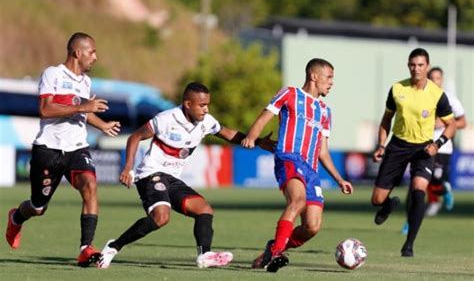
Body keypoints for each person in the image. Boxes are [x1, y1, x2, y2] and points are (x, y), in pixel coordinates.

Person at [98, 82, 274, 269]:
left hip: (172, 178)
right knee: (161, 217)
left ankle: (204, 255)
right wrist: (128, 167)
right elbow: (135, 137)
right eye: (202, 105)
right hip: (150, 173)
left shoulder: (206, 121)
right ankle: (113, 246)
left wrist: (258, 141)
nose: (206, 109)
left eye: (207, 104)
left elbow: (228, 134)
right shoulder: (166, 119)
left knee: (204, 209)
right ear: (188, 104)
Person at [5, 32, 121, 267]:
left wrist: (102, 124)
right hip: (48, 149)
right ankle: (16, 217)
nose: (95, 57)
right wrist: (83, 106)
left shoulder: (85, 83)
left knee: (90, 186)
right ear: (78, 53)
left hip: (77, 148)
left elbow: (84, 111)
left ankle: (85, 248)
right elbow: (46, 110)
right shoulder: (52, 74)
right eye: (92, 52)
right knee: (38, 208)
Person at [241, 58, 353, 273]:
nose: (332, 83)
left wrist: (339, 179)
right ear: (314, 76)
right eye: (329, 77)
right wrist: (251, 137)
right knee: (297, 201)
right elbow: (265, 117)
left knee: (312, 227)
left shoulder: (325, 111)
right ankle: (276, 255)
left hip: (311, 170)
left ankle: (274, 248)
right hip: (289, 158)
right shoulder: (290, 94)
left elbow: (323, 151)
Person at [372, 48, 456, 257]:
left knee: (419, 192)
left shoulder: (437, 94)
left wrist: (437, 144)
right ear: (408, 65)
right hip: (398, 146)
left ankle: (409, 245)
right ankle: (388, 204)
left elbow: (451, 124)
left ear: (427, 66)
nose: (416, 68)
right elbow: (386, 119)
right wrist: (382, 145)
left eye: (420, 65)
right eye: (412, 64)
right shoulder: (397, 88)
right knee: (377, 199)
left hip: (424, 149)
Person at [400, 67, 467, 234]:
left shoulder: (450, 99)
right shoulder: (419, 96)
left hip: (442, 147)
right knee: (415, 186)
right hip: (420, 145)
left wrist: (444, 124)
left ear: (441, 80)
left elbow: (463, 123)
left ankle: (444, 189)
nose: (434, 81)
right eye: (431, 78)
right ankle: (410, 222)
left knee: (434, 182)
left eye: (437, 78)